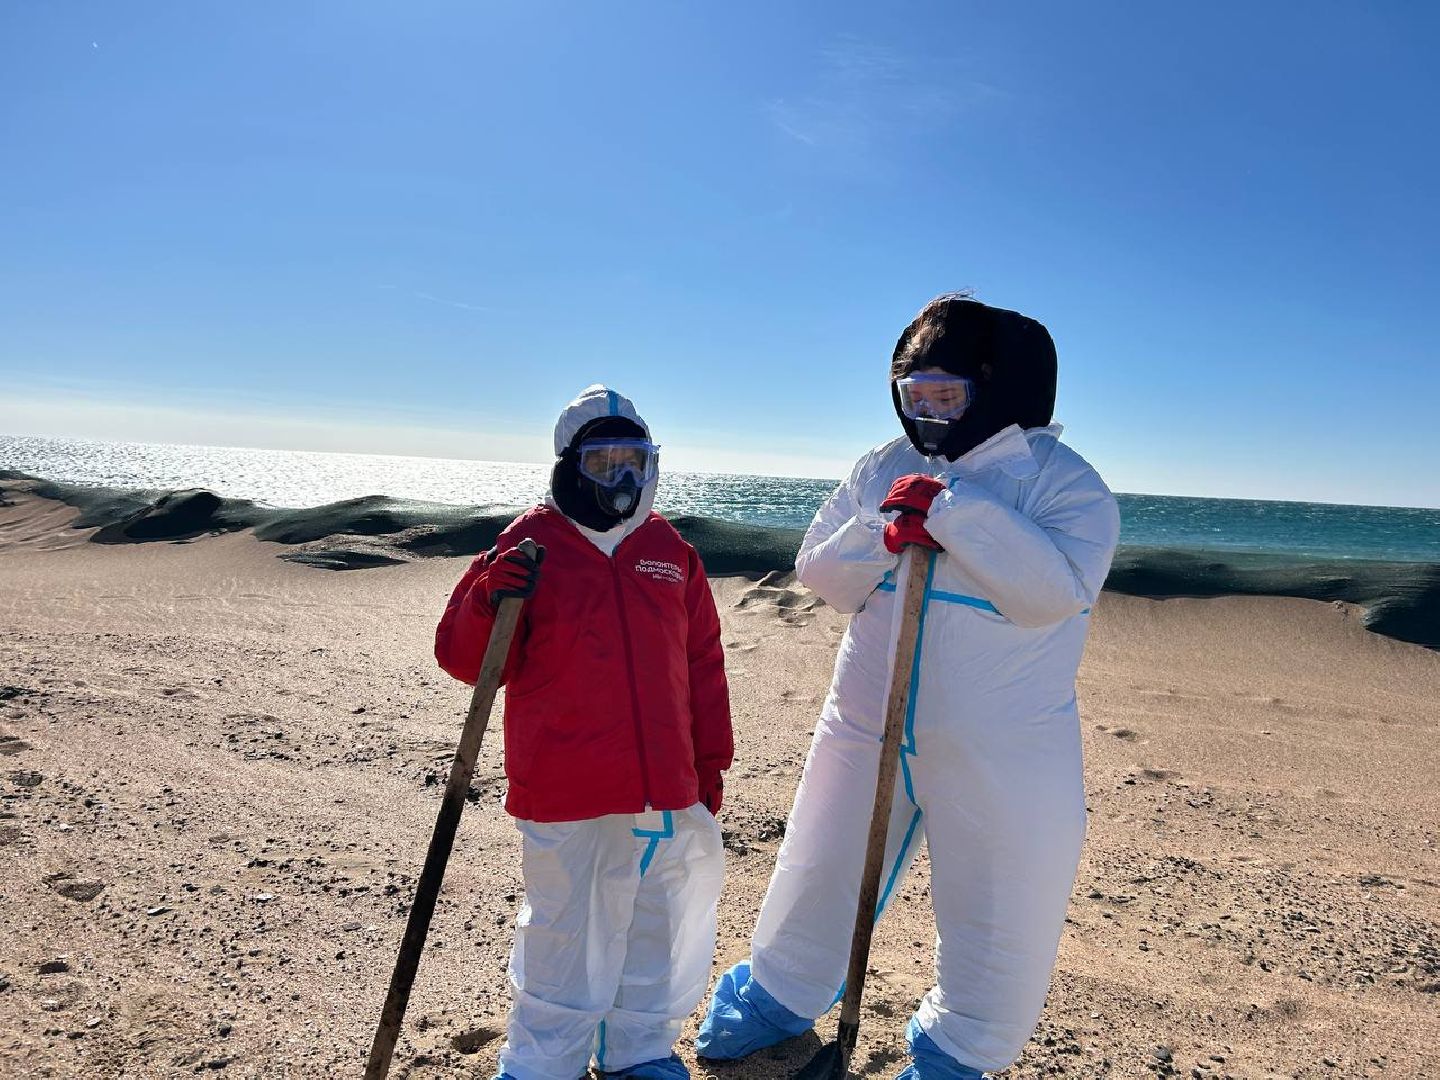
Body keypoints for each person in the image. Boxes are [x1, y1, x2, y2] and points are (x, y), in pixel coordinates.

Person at [695, 295, 1120, 1078]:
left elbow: (1051, 595)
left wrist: (958, 515)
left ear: (991, 388)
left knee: (1001, 905)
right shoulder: (883, 465)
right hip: (864, 719)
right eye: (912, 395)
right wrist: (880, 530)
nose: (925, 414)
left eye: (945, 396)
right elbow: (820, 572)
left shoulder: (1062, 482)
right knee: (820, 860)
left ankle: (960, 1051)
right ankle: (780, 994)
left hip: (1004, 746)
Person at [436, 384, 733, 1080]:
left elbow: (702, 661)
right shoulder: (530, 544)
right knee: (569, 937)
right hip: (568, 786)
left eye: (635, 461)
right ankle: (542, 1065)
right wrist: (488, 594)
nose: (623, 479)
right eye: (605, 464)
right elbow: (464, 660)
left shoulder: (668, 549)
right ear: (572, 464)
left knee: (658, 924)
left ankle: (638, 1054)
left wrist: (708, 764)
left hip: (665, 786)